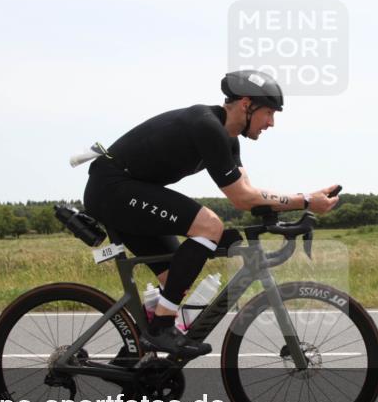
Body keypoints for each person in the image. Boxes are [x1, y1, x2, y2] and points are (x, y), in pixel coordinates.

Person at [83, 70, 340, 357]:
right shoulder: (206, 126)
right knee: (209, 225)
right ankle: (161, 329)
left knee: (173, 278)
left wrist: (279, 216)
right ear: (246, 104)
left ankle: (136, 356)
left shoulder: (229, 140)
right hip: (112, 189)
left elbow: (248, 192)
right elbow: (242, 198)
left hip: (129, 191)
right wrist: (306, 200)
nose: (271, 123)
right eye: (269, 112)